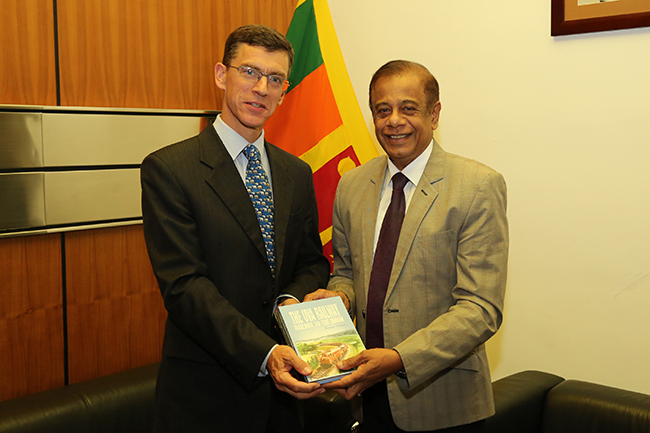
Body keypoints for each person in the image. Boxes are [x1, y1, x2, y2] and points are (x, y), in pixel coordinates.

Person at [141, 24, 330, 433]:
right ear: (221, 75)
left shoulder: (296, 173)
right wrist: (265, 353)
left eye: (275, 79)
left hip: (285, 399)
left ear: (284, 91)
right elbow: (185, 286)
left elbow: (312, 263)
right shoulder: (170, 169)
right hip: (206, 395)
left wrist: (289, 300)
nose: (261, 88)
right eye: (249, 72)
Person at [305, 60, 509, 432]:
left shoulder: (478, 186)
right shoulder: (351, 184)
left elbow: (481, 309)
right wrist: (340, 299)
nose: (394, 120)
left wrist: (400, 358)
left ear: (434, 114)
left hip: (445, 404)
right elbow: (347, 273)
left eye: (408, 108)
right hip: (366, 396)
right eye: (383, 110)